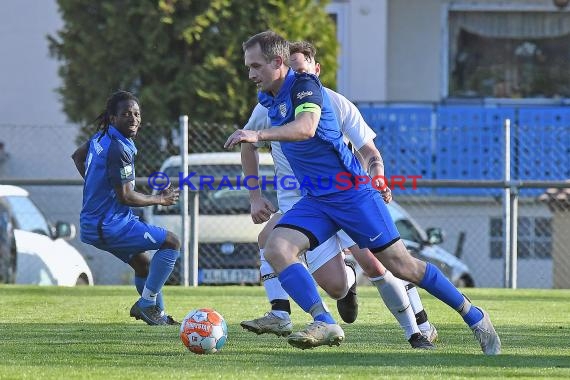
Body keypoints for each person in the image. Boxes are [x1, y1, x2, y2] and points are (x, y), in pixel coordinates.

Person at [225, 31, 501, 355]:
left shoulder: (305, 86)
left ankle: (473, 316)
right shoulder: (269, 99)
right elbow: (257, 144)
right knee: (276, 248)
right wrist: (255, 187)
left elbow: (307, 128)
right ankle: (323, 320)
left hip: (352, 195)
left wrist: (258, 133)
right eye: (248, 67)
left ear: (277, 62)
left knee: (402, 266)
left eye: (255, 66)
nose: (250, 74)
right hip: (316, 200)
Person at [239, 40, 436, 349]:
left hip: (345, 197)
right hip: (306, 205)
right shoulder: (269, 103)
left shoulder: (334, 103)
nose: (298, 75)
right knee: (328, 282)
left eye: (303, 69)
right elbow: (247, 143)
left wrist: (377, 180)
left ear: (315, 70)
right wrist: (255, 196)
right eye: (293, 68)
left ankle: (417, 331)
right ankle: (299, 306)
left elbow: (369, 150)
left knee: (377, 263)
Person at [72, 90, 181, 326]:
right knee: (172, 242)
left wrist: (98, 187)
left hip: (96, 223)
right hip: (110, 225)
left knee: (143, 264)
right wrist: (160, 199)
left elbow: (77, 157)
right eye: (126, 114)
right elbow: (126, 196)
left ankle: (157, 316)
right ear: (113, 118)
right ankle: (146, 304)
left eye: (137, 113)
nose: (133, 119)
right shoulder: (118, 149)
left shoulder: (101, 137)